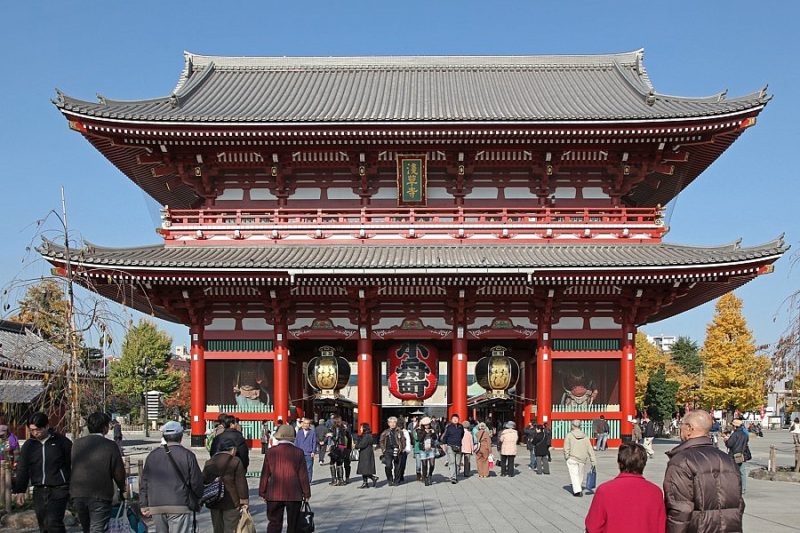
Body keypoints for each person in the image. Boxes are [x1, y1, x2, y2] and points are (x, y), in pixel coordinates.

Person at [663, 409, 744, 532]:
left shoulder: (681, 461)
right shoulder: (727, 459)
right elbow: (739, 502)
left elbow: (680, 510)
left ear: (689, 428)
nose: (680, 429)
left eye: (682, 425)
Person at [585, 442, 666, 533]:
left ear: (620, 463)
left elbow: (593, 527)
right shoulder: (655, 492)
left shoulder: (604, 490)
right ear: (644, 464)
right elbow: (660, 527)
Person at [13, 412, 72, 532]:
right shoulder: (29, 445)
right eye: (32, 430)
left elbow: (71, 463)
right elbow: (23, 468)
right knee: (43, 523)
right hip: (39, 489)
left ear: (46, 426)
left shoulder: (61, 442)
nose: (35, 433)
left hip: (59, 488)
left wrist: (72, 486)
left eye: (38, 429)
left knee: (53, 522)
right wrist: (20, 490)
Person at [140, 421, 203, 533]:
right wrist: (197, 498)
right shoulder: (187, 455)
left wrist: (144, 504)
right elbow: (196, 481)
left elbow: (144, 481)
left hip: (156, 503)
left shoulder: (152, 455)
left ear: (164, 436)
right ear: (181, 437)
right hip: (180, 503)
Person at [71, 412, 126, 533]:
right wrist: (122, 489)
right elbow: (118, 472)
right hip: (100, 493)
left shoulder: (77, 444)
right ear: (105, 427)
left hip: (78, 493)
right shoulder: (110, 445)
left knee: (86, 528)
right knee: (97, 528)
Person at [259, 424, 311, 533]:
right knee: (293, 524)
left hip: (274, 492)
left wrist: (263, 492)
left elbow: (265, 474)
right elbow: (303, 475)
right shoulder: (298, 452)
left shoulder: (270, 452)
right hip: (294, 493)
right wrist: (306, 493)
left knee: (274, 523)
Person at [203, 435, 249, 533]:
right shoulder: (235, 461)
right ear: (232, 449)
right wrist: (244, 500)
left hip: (214, 500)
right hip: (231, 501)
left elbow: (204, 480)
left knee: (217, 528)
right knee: (230, 528)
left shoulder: (209, 462)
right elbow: (241, 482)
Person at [563, 419, 596, 497]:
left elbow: (566, 447)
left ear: (572, 426)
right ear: (580, 426)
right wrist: (593, 459)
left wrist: (566, 456)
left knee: (574, 475)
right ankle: (578, 488)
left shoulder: (569, 435)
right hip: (582, 458)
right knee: (580, 475)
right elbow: (589, 448)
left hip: (572, 457)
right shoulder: (585, 436)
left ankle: (577, 491)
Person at [724, 418, 750, 495]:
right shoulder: (745, 434)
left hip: (733, 455)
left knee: (732, 472)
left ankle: (733, 488)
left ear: (735, 426)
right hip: (742, 455)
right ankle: (743, 488)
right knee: (742, 472)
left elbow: (729, 444)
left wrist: (726, 440)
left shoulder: (735, 434)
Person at [378, 416, 406, 486]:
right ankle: (389, 479)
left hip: (397, 450)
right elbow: (381, 441)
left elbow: (403, 441)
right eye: (391, 422)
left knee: (397, 466)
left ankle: (396, 480)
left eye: (394, 422)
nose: (392, 424)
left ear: (396, 423)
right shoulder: (385, 432)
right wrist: (383, 449)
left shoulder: (400, 431)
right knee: (388, 466)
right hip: (388, 451)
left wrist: (401, 448)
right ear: (388, 423)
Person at [413, 417, 439, 486]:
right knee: (424, 465)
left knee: (432, 464)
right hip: (423, 449)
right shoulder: (419, 430)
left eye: (428, 424)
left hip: (431, 448)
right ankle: (425, 478)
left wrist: (433, 433)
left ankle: (430, 475)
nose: (427, 426)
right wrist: (425, 432)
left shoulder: (432, 429)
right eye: (425, 425)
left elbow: (435, 438)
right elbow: (420, 439)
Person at [440, 414, 465, 484]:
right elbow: (445, 436)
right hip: (450, 446)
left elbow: (462, 435)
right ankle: (453, 477)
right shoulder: (449, 427)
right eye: (454, 418)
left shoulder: (461, 427)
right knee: (452, 462)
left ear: (458, 419)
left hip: (458, 446)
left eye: (456, 418)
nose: (455, 419)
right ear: (451, 419)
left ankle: (455, 474)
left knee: (458, 462)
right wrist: (444, 444)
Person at [327, 416, 351, 486]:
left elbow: (336, 438)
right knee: (339, 463)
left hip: (337, 447)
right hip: (343, 446)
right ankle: (341, 480)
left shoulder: (336, 428)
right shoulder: (344, 427)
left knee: (332, 463)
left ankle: (334, 480)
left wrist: (330, 435)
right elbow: (348, 437)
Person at [355, 423, 378, 488]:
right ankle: (365, 483)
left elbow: (362, 444)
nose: (360, 429)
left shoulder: (366, 436)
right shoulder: (368, 435)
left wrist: (356, 446)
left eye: (361, 428)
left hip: (365, 454)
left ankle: (373, 478)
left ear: (364, 428)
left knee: (365, 469)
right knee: (364, 469)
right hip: (367, 453)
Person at [294, 417, 317, 483]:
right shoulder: (299, 432)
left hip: (309, 453)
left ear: (309, 425)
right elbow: (297, 442)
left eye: (308, 423)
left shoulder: (312, 432)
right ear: (302, 424)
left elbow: (314, 442)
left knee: (309, 467)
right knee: (300, 467)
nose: (306, 425)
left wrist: (313, 451)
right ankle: (301, 480)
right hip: (300, 452)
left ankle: (308, 480)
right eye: (305, 423)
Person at [398, 418, 412, 484]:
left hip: (404, 450)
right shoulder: (395, 431)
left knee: (403, 464)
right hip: (397, 450)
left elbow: (408, 440)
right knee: (397, 464)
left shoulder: (405, 431)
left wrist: (408, 449)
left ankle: (401, 475)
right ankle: (397, 476)